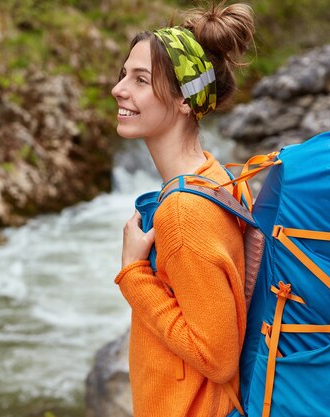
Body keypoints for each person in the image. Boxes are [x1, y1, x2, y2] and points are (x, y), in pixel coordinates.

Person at [111, 3, 255, 417]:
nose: (119, 89)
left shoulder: (183, 213)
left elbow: (218, 357)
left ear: (184, 101)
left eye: (141, 80)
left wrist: (133, 274)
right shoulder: (219, 177)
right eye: (124, 75)